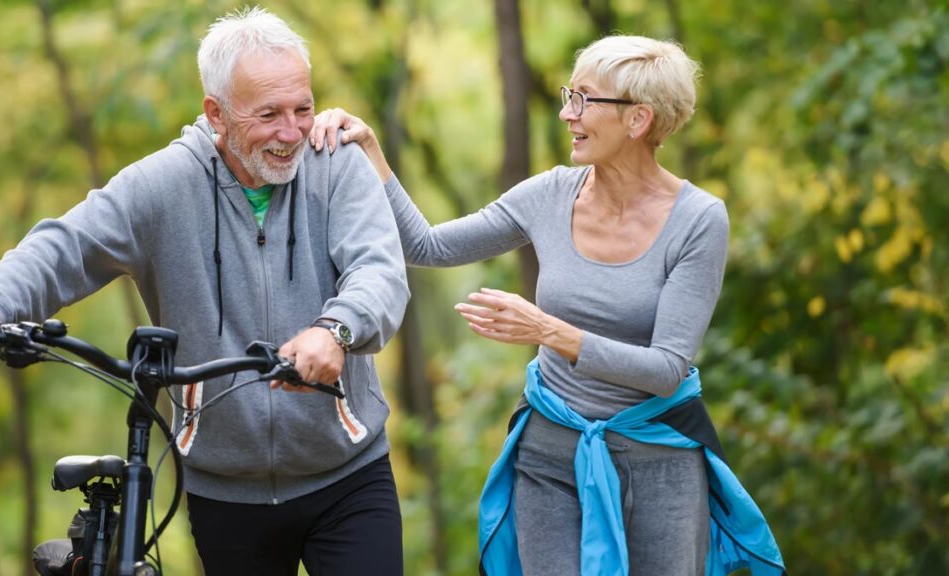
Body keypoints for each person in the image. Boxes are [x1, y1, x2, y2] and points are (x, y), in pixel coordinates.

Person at [0, 7, 408, 576]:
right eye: (269, 114)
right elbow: (71, 243)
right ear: (218, 113)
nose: (292, 132)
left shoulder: (337, 165)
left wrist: (337, 329)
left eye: (302, 108)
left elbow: (379, 271)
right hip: (225, 489)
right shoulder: (164, 184)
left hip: (347, 475)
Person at [312, 35, 785, 575]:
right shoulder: (551, 194)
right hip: (549, 455)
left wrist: (548, 330)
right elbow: (429, 246)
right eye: (568, 95)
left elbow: (665, 369)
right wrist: (372, 152)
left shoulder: (699, 220)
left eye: (584, 99)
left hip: (661, 462)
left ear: (638, 120)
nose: (566, 113)